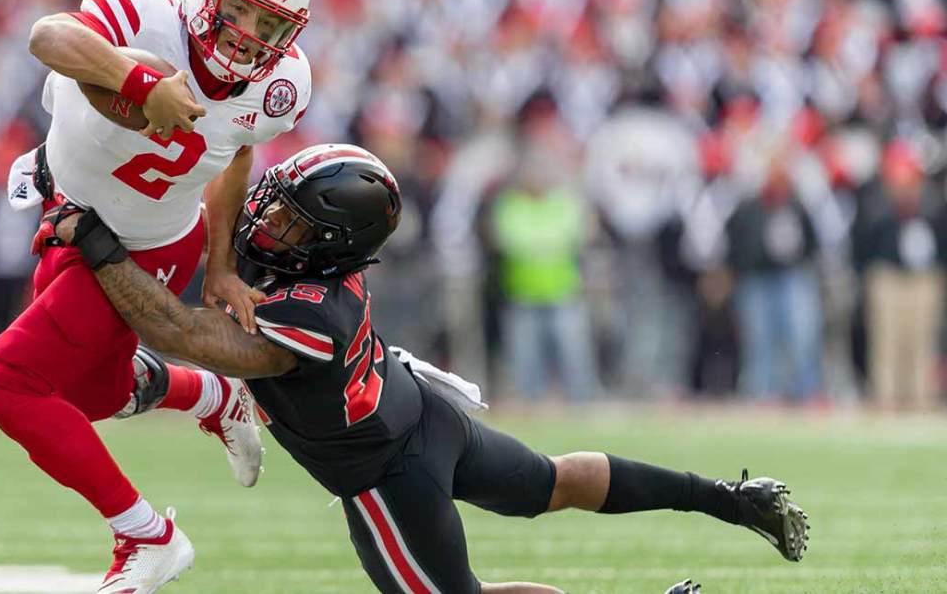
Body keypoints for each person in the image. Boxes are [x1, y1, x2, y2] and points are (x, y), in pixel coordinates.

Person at [44, 144, 810, 594]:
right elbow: (233, 178)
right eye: (273, 207)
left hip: (387, 475)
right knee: (553, 482)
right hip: (426, 419)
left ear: (328, 242)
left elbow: (179, 329)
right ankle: (726, 498)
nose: (264, 222)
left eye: (288, 220)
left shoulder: (309, 313)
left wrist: (97, 240)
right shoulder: (319, 264)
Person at [0, 0, 313, 592]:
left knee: (9, 382)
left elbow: (238, 151)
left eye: (271, 24)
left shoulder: (281, 86)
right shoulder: (142, 10)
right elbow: (47, 36)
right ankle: (212, 395)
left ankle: (146, 536)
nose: (250, 36)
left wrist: (221, 265)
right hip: (71, 213)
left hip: (143, 247)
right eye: (239, 10)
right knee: (89, 393)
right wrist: (140, 83)